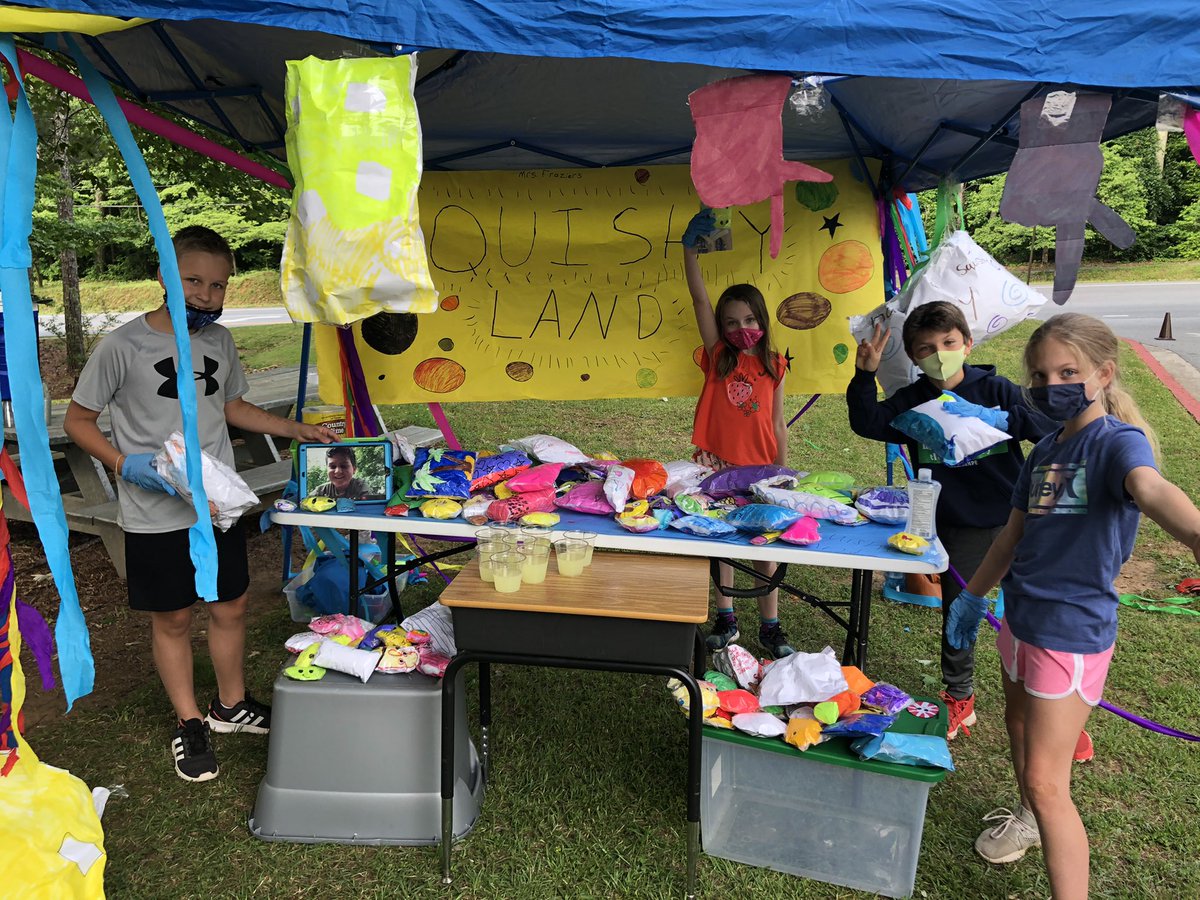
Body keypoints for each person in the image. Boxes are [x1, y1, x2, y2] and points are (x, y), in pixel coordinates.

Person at [63, 226, 336, 783]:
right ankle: (189, 721)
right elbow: (77, 421)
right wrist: (123, 464)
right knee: (174, 616)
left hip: (215, 509)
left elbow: (232, 406)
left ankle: (230, 706)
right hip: (153, 511)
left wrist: (293, 428)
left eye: (219, 285)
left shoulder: (220, 343)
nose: (207, 295)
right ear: (164, 275)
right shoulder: (121, 346)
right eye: (194, 281)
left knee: (230, 604)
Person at [946, 313, 1200, 897]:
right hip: (1020, 621)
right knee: (1016, 728)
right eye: (1039, 374)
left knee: (1047, 781)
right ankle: (1029, 819)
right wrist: (972, 596)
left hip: (1070, 633)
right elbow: (1010, 537)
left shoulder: (1116, 442)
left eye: (1068, 371)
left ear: (1103, 374)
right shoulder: (1044, 452)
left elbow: (1152, 489)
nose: (1050, 384)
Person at [847, 301, 1056, 739]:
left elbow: (1049, 429)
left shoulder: (997, 390)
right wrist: (865, 374)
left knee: (1037, 609)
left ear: (967, 343)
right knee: (959, 610)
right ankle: (960, 693)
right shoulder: (911, 402)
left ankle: (1058, 709)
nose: (939, 354)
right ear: (913, 357)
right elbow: (867, 422)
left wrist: (1006, 419)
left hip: (1016, 518)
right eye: (926, 348)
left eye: (948, 343)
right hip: (959, 526)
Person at [681, 210, 792, 659]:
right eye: (731, 322)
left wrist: (783, 470)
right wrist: (690, 251)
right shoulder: (718, 357)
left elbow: (779, 422)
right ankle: (726, 619)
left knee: (765, 544)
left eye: (748, 319)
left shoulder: (775, 363)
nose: (739, 328)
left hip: (764, 471)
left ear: (761, 319)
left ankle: (771, 624)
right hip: (718, 467)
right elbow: (700, 302)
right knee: (724, 538)